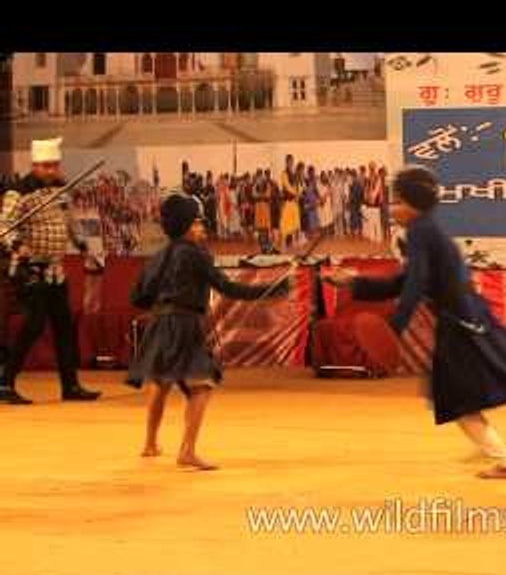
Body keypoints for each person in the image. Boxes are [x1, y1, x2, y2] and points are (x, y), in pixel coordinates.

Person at [327, 166, 506, 479]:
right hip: (465, 320)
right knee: (457, 395)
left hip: (460, 325)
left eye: (397, 201)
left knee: (454, 398)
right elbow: (402, 282)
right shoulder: (426, 231)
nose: (391, 208)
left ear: (413, 204)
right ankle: (495, 448)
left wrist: (394, 328)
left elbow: (414, 285)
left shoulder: (421, 232)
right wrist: (354, 283)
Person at [126, 193, 290, 470]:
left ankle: (150, 443)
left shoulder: (157, 257)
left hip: (158, 325)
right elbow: (228, 288)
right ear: (189, 226)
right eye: (200, 223)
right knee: (202, 385)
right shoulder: (196, 255)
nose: (204, 228)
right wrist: (274, 289)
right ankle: (187, 451)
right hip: (183, 325)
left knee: (161, 383)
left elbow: (137, 297)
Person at [0, 138, 101, 405]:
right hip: (29, 269)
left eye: (54, 165)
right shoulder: (18, 192)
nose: (51, 170)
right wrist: (17, 245)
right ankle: (4, 381)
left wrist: (82, 245)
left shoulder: (61, 189)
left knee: (64, 327)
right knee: (33, 325)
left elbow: (69, 220)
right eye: (46, 166)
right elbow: (4, 226)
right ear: (34, 165)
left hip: (56, 269)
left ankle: (70, 385)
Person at [279, 155, 302, 250]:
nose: (291, 163)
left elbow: (298, 185)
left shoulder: (294, 174)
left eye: (292, 162)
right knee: (285, 223)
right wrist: (296, 193)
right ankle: (283, 244)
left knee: (296, 223)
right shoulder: (284, 174)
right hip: (288, 202)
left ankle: (294, 242)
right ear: (286, 162)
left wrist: (298, 193)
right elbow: (287, 186)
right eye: (289, 161)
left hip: (294, 202)